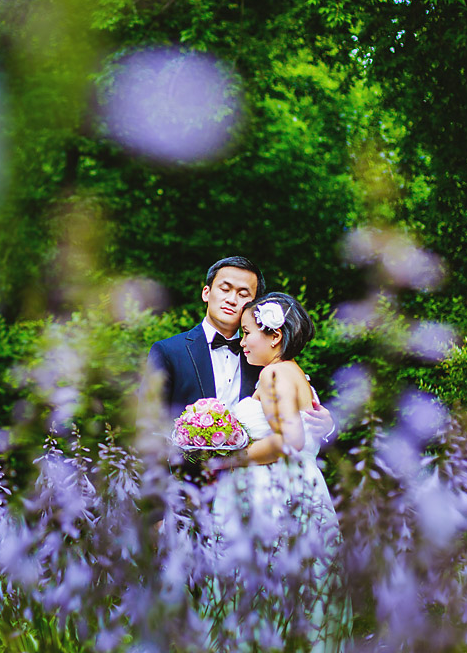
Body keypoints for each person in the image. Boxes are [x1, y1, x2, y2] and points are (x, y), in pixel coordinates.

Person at [214, 292, 348, 651]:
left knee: (262, 598)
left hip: (273, 495)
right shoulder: (295, 373)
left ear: (275, 336)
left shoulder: (273, 374)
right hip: (304, 489)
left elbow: (289, 440)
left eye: (247, 332)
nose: (242, 341)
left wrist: (230, 459)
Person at [147, 256, 333, 439]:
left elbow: (297, 419)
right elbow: (149, 426)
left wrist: (327, 426)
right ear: (206, 293)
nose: (231, 299)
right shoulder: (168, 352)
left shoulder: (265, 355)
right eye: (225, 289)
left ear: (255, 304)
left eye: (243, 294)